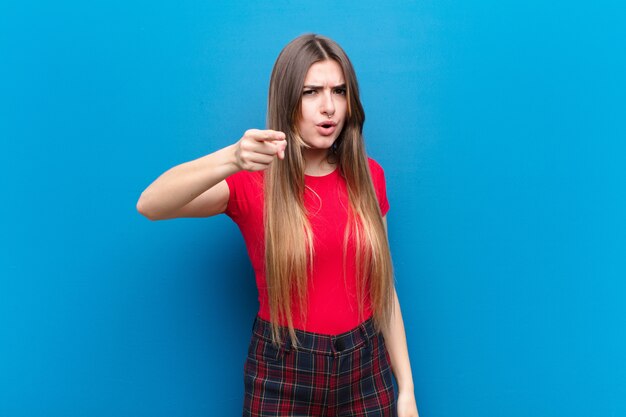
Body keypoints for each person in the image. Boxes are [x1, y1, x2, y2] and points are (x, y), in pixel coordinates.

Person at [137, 33, 419, 417]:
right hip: (285, 371)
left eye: (338, 91)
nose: (328, 107)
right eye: (311, 92)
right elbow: (151, 204)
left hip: (366, 369)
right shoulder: (253, 181)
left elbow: (383, 291)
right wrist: (233, 157)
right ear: (288, 101)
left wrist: (407, 390)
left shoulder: (370, 177)